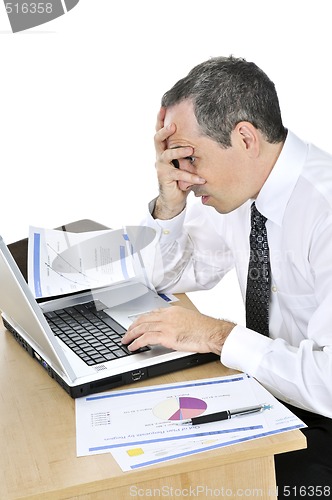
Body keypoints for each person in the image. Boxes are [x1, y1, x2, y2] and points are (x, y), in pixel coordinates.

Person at [121, 56, 332, 497]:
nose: (186, 174)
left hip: (323, 418)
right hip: (280, 401)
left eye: (189, 157)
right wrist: (170, 204)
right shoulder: (244, 191)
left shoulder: (324, 210)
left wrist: (216, 335)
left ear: (244, 137)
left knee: (195, 486)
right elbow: (167, 277)